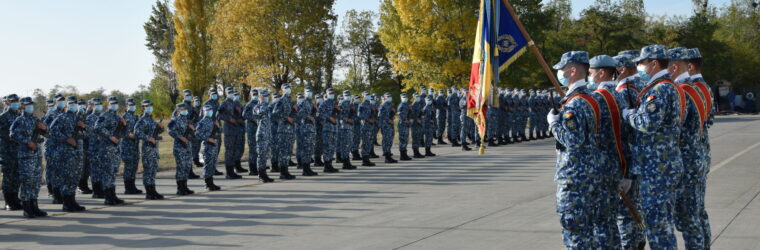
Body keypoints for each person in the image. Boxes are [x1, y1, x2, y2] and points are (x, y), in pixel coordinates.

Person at [623, 45, 685, 249]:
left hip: (657, 168)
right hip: (663, 165)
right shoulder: (667, 86)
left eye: (641, 62)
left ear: (654, 63)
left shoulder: (660, 89)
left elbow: (647, 123)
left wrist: (627, 114)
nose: (639, 66)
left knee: (657, 227)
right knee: (661, 225)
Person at [547, 51, 602, 248]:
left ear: (572, 70)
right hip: (588, 174)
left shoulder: (576, 103)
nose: (560, 73)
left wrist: (553, 124)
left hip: (574, 178)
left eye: (562, 69)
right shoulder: (589, 98)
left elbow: (573, 139)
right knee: (587, 233)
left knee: (575, 234)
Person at [668, 47, 709, 249]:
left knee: (688, 218)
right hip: (697, 156)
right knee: (696, 215)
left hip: (686, 161)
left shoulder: (681, 91)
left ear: (675, 67)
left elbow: (675, 128)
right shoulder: (698, 87)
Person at [588, 54, 628, 248]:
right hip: (617, 166)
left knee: (600, 223)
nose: (589, 75)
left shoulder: (597, 98)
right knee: (611, 223)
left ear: (601, 73)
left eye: (590, 72)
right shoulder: (619, 96)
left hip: (600, 171)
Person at [687, 48, 713, 249]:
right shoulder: (706, 88)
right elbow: (709, 120)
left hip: (692, 154)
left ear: (689, 66)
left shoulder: (692, 89)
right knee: (699, 209)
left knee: (692, 213)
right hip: (702, 152)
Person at [10, 97, 49, 218]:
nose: (30, 107)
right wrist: (27, 142)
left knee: (36, 182)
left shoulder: (36, 119)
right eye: (27, 105)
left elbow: (48, 133)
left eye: (31, 105)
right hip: (26, 155)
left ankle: (34, 206)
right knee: (27, 181)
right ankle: (27, 208)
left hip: (37, 155)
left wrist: (44, 128)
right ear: (22, 106)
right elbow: (13, 134)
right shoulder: (19, 120)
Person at [49, 96, 88, 211]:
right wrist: (66, 138)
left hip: (78, 152)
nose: (73, 105)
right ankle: (66, 203)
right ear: (66, 105)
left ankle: (72, 201)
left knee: (75, 177)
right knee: (67, 177)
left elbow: (89, 133)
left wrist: (83, 127)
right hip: (66, 153)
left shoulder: (79, 118)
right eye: (71, 103)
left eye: (75, 103)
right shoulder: (61, 117)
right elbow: (51, 131)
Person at [94, 96, 126, 205]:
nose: (114, 105)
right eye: (112, 103)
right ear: (108, 104)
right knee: (107, 172)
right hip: (106, 148)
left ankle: (113, 195)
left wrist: (124, 124)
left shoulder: (118, 116)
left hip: (116, 148)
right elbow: (97, 127)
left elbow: (124, 132)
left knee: (113, 172)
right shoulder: (104, 115)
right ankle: (108, 197)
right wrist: (110, 136)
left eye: (116, 103)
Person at [133, 100, 164, 200]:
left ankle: (153, 190)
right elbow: (136, 132)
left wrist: (160, 127)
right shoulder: (142, 120)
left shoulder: (151, 120)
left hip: (154, 148)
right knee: (148, 170)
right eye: (147, 106)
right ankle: (149, 192)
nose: (149, 107)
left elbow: (157, 132)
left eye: (150, 105)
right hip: (147, 148)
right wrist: (147, 138)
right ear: (143, 108)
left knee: (153, 169)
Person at [168, 103, 195, 195]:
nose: (185, 110)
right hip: (179, 147)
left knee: (187, 167)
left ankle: (185, 186)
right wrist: (180, 137)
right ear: (178, 110)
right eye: (183, 109)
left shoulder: (187, 120)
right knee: (181, 167)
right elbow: (170, 130)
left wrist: (192, 129)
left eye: (186, 109)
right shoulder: (175, 120)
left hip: (187, 146)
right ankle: (180, 188)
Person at [1, 94, 22, 210]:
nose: (15, 103)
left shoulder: (19, 116)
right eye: (13, 101)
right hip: (7, 151)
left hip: (18, 151)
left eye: (17, 101)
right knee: (8, 176)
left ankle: (15, 199)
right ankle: (8, 201)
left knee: (16, 177)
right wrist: (8, 136)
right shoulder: (3, 116)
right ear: (7, 103)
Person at [218, 87, 245, 179]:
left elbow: (238, 116)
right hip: (229, 131)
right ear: (226, 93)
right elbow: (219, 115)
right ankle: (229, 173)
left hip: (236, 130)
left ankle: (232, 171)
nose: (231, 93)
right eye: (229, 92)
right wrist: (229, 119)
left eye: (232, 92)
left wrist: (239, 113)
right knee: (229, 151)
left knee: (234, 151)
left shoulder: (234, 103)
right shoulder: (224, 103)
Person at [272, 83, 297, 179]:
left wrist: (294, 111)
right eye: (285, 88)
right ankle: (282, 172)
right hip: (282, 130)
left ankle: (286, 171)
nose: (288, 89)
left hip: (290, 129)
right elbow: (275, 112)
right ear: (282, 90)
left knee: (287, 151)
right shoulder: (281, 100)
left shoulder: (290, 101)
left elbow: (293, 114)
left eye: (289, 87)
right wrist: (286, 118)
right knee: (283, 151)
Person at [196, 104, 222, 190]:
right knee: (207, 165)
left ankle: (211, 182)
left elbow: (219, 132)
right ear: (203, 112)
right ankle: (207, 183)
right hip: (207, 146)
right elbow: (197, 134)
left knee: (212, 164)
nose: (209, 112)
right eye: (207, 110)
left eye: (210, 110)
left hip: (214, 146)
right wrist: (208, 139)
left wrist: (218, 126)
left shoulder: (212, 121)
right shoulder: (201, 122)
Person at [120, 98, 142, 195]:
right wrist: (127, 134)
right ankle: (127, 188)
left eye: (133, 104)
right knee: (128, 167)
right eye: (130, 105)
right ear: (126, 106)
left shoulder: (136, 117)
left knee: (134, 167)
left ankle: (133, 186)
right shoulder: (123, 117)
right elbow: (119, 131)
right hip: (126, 145)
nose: (132, 106)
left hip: (135, 145)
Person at [295, 88, 319, 176]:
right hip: (305, 128)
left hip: (311, 128)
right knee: (306, 148)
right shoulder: (303, 102)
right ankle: (305, 169)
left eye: (311, 92)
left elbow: (313, 114)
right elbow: (299, 112)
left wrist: (314, 111)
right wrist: (308, 117)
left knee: (309, 149)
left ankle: (308, 168)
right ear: (305, 93)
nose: (310, 93)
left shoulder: (310, 102)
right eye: (308, 92)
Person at [317, 89, 341, 173]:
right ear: (327, 94)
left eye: (333, 93)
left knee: (332, 147)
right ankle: (326, 166)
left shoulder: (334, 103)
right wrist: (329, 117)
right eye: (330, 93)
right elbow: (319, 114)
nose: (332, 94)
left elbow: (338, 115)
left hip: (334, 128)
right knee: (327, 147)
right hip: (327, 128)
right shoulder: (324, 103)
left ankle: (330, 164)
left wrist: (338, 110)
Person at [86, 98, 105, 198]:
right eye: (97, 104)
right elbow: (90, 133)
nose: (99, 106)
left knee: (102, 169)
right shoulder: (90, 118)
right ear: (92, 106)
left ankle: (101, 189)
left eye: (100, 104)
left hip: (103, 148)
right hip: (94, 148)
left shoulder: (103, 117)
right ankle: (96, 191)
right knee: (95, 170)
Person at [338, 90, 357, 169]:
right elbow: (339, 115)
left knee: (349, 144)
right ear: (343, 95)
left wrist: (353, 111)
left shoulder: (350, 104)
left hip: (349, 127)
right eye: (346, 95)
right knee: (345, 145)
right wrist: (347, 120)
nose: (348, 96)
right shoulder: (341, 103)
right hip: (344, 127)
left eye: (349, 94)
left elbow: (353, 115)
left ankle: (347, 161)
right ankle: (345, 163)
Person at [242, 89, 260, 175]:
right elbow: (244, 114)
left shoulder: (259, 103)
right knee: (252, 149)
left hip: (259, 130)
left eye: (257, 94)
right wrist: (253, 119)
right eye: (254, 94)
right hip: (252, 130)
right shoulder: (249, 104)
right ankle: (252, 169)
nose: (255, 95)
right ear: (251, 95)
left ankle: (257, 166)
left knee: (258, 149)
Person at [358, 92, 377, 167]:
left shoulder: (370, 105)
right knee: (365, 143)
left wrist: (374, 110)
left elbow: (373, 115)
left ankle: (367, 158)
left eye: (369, 95)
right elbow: (360, 115)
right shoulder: (362, 105)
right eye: (367, 95)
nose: (369, 96)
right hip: (365, 127)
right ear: (363, 96)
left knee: (369, 143)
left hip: (371, 127)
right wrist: (368, 120)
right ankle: (364, 160)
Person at [378, 93, 398, 163]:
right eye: (388, 97)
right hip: (385, 125)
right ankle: (387, 157)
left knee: (390, 140)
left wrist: (393, 113)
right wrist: (388, 120)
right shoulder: (383, 105)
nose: (390, 98)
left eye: (390, 96)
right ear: (385, 98)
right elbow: (380, 115)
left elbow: (390, 114)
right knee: (387, 140)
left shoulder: (389, 105)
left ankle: (389, 155)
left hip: (390, 125)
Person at [397, 93, 413, 160]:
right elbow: (400, 114)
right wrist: (404, 120)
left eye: (406, 97)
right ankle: (402, 155)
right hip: (402, 124)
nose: (405, 98)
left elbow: (409, 114)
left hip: (406, 124)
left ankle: (404, 154)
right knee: (403, 139)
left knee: (405, 139)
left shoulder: (406, 105)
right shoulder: (401, 105)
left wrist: (410, 110)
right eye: (404, 97)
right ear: (401, 98)